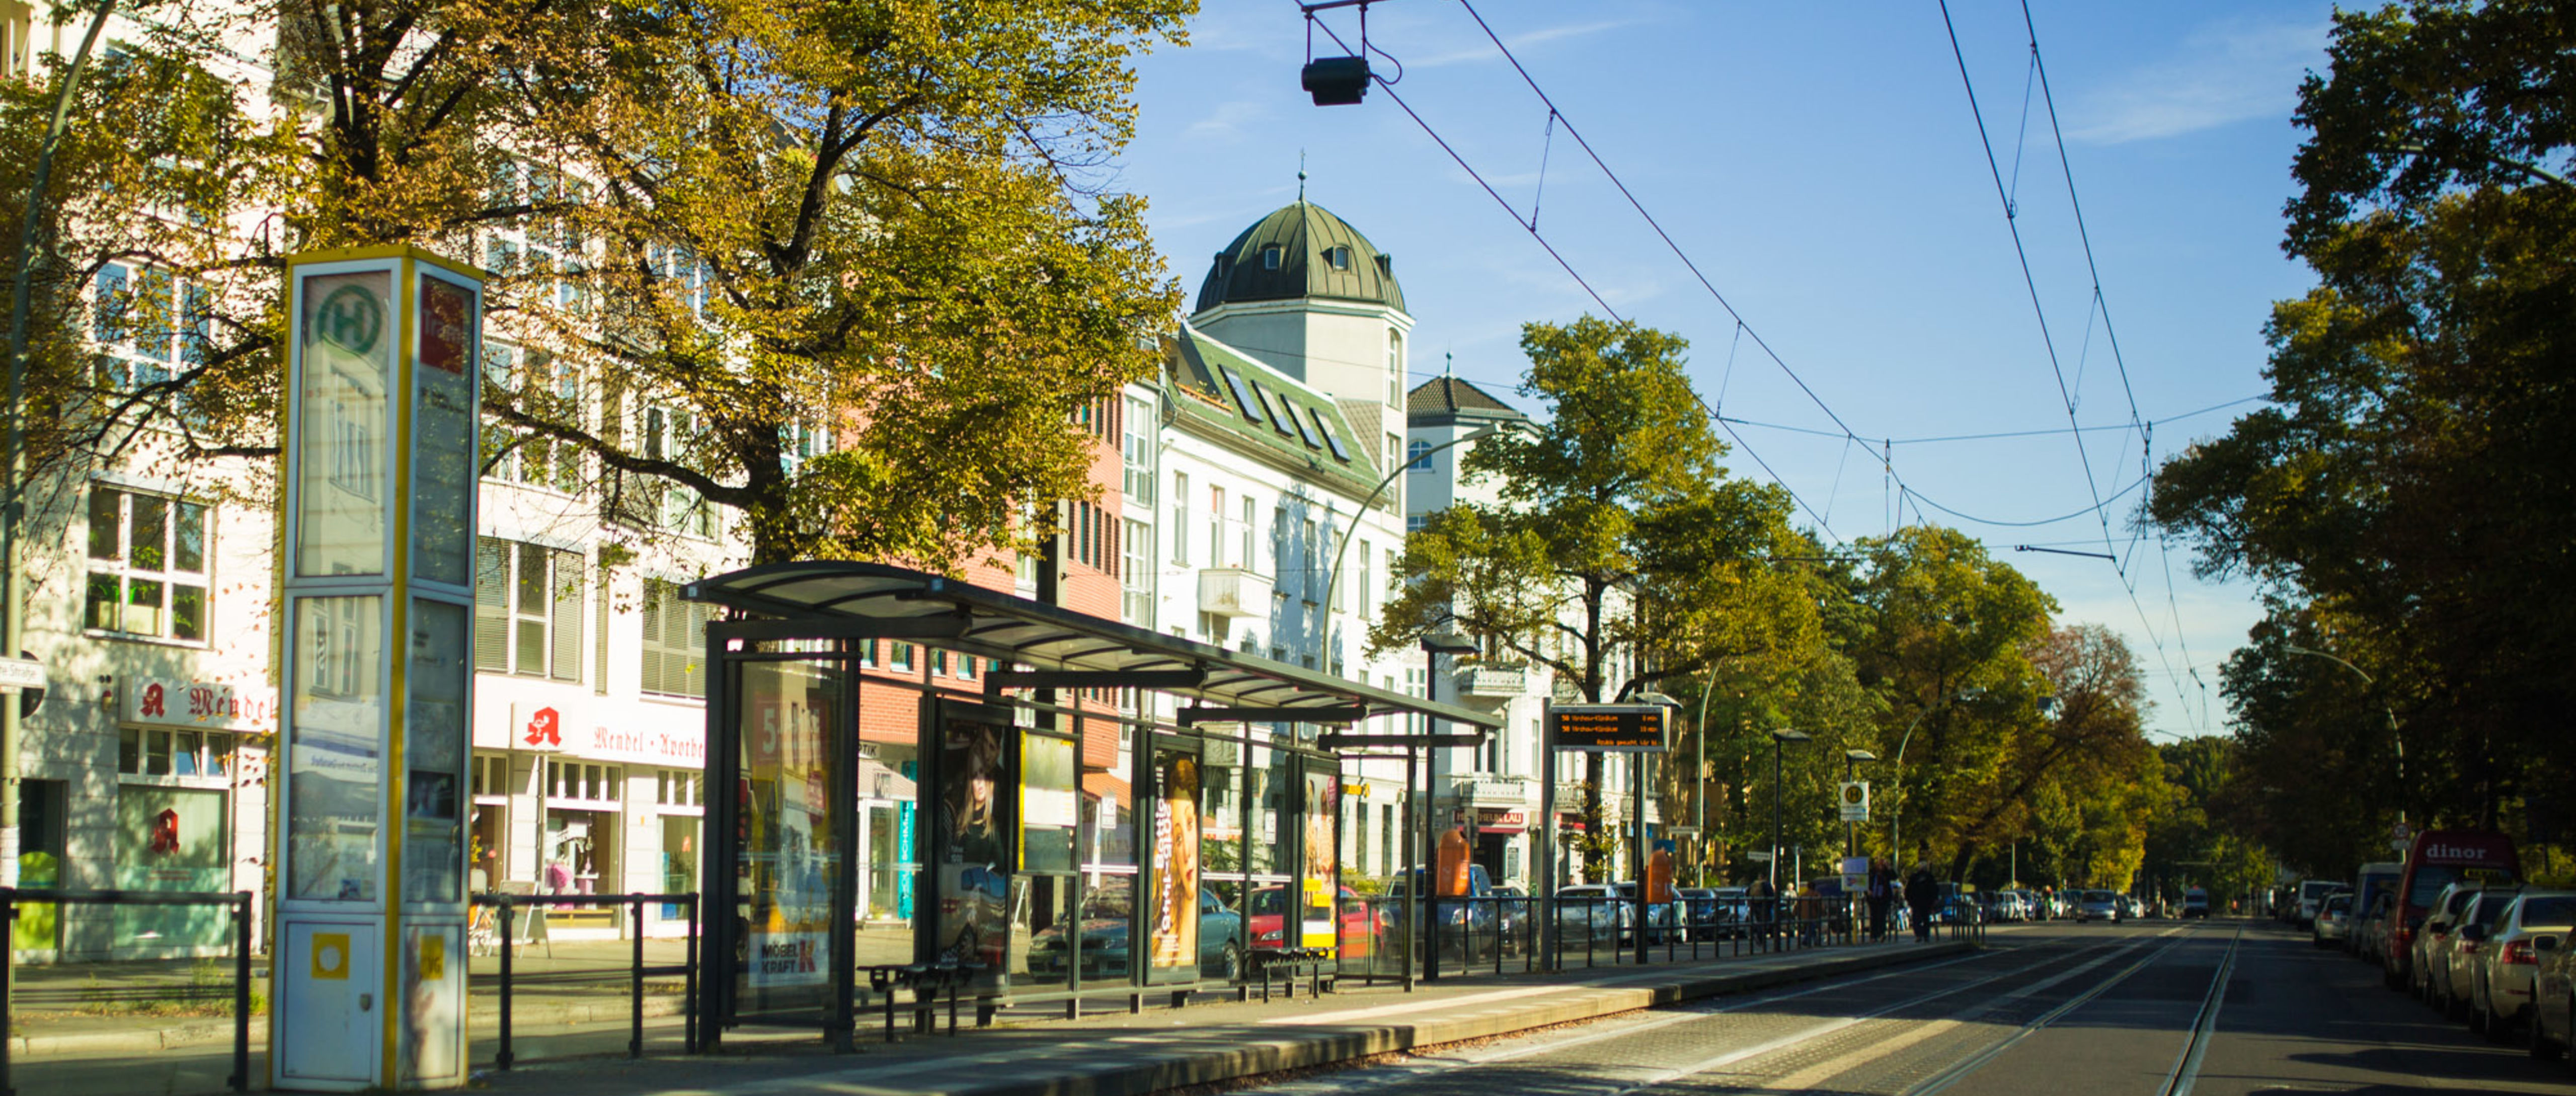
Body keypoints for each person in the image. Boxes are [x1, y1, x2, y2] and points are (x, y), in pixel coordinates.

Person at [1904, 862, 1938, 943]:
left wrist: (1909, 899)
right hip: (1923, 902)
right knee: (1923, 919)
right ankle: (1924, 935)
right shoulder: (1927, 877)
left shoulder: (1917, 877)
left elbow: (1908, 890)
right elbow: (1934, 889)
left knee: (1919, 919)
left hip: (1920, 902)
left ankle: (1921, 935)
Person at [1866, 857, 1895, 942]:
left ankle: (1882, 934)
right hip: (1873, 898)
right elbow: (1866, 882)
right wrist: (1868, 891)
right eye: (1879, 864)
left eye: (1882, 865)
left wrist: (1889, 867)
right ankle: (1874, 936)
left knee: (1882, 916)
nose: (1881, 866)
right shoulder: (1872, 872)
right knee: (1874, 917)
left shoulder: (1887, 873)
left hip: (1884, 898)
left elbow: (1894, 876)